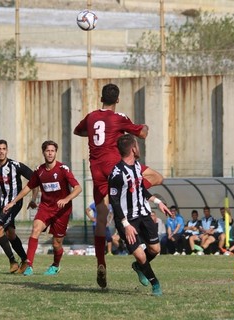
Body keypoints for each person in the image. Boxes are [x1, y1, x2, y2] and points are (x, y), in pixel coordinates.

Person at [74, 83, 163, 288]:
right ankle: (134, 191)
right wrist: (144, 126)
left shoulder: (90, 117)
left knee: (102, 219)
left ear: (101, 98)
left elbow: (78, 131)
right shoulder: (119, 118)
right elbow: (142, 133)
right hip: (116, 167)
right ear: (117, 99)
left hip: (97, 170)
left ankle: (101, 263)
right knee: (157, 177)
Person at [3, 140, 82, 276]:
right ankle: (29, 265)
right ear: (43, 152)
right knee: (36, 229)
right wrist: (13, 202)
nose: (50, 153)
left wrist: (66, 199)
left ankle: (55, 265)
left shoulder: (63, 169)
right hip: (45, 207)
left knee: (56, 244)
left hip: (62, 210)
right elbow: (29, 187)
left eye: (52, 151)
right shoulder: (39, 171)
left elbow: (78, 188)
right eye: (47, 151)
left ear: (56, 152)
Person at [108, 134, 171, 296]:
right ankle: (155, 284)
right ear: (133, 148)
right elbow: (114, 201)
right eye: (137, 145)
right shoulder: (116, 173)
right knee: (140, 254)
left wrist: (158, 202)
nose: (139, 148)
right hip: (126, 220)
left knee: (155, 249)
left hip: (143, 215)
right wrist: (126, 225)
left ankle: (138, 267)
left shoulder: (137, 166)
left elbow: (141, 189)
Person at [0, 139, 36, 273]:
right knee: (11, 234)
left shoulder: (15, 165)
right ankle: (25, 261)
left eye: (4, 149)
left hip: (14, 203)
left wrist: (34, 198)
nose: (1, 152)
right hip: (2, 204)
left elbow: (34, 179)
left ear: (7, 150)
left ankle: (13, 261)